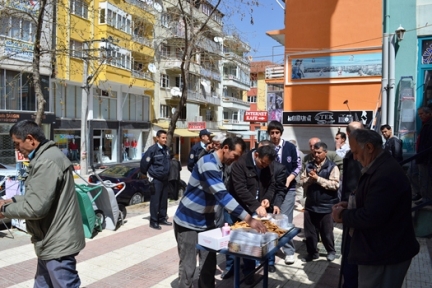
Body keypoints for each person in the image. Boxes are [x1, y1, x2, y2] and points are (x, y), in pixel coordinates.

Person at [0, 120, 85, 287]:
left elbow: (35, 207)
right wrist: (12, 201)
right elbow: (38, 197)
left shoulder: (47, 161)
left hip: (57, 244)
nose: (17, 150)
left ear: (30, 139)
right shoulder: (46, 157)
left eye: (17, 144)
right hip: (49, 241)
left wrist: (5, 209)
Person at [173, 137, 266, 288]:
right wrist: (250, 220)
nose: (235, 160)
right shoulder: (208, 163)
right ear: (225, 148)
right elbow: (223, 196)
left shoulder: (221, 165)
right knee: (188, 267)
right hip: (188, 221)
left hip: (207, 222)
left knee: (208, 266)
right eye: (234, 156)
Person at [332, 129, 419, 288]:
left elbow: (371, 216)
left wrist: (343, 215)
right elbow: (374, 202)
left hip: (385, 254)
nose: (356, 158)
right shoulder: (380, 166)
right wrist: (352, 204)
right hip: (380, 250)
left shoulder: (385, 173)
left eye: (356, 152)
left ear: (370, 147)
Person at [222, 145, 276, 279]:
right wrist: (256, 205)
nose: (264, 166)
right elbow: (240, 189)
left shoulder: (268, 165)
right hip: (236, 207)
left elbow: (271, 185)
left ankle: (249, 272)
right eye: (262, 163)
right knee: (231, 239)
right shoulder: (240, 163)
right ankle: (230, 267)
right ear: (256, 155)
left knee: (250, 241)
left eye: (267, 164)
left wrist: (266, 199)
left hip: (254, 208)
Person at [300, 142, 340, 262]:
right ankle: (312, 253)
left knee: (326, 231)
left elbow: (335, 185)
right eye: (314, 152)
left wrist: (318, 179)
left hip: (326, 205)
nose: (316, 154)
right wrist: (310, 180)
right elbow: (302, 182)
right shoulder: (309, 165)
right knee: (310, 232)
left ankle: (331, 251)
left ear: (325, 153)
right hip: (311, 204)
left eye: (319, 152)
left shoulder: (332, 167)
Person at [267, 120, 299, 265]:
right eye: (272, 133)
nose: (274, 135)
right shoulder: (266, 147)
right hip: (270, 190)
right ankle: (270, 252)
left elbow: (298, 166)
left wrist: (288, 179)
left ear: (281, 133)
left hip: (288, 189)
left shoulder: (290, 147)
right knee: (270, 220)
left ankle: (289, 251)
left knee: (285, 219)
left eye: (277, 133)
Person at [339, 121, 364, 288]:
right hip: (350, 208)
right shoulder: (351, 155)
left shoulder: (366, 156)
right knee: (347, 253)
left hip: (359, 212)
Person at [140, 130, 171, 230]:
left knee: (163, 200)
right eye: (163, 138)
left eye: (165, 138)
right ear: (157, 138)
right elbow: (144, 163)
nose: (165, 140)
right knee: (155, 201)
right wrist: (146, 174)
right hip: (156, 179)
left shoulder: (166, 149)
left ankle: (162, 218)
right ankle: (153, 221)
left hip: (165, 179)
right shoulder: (152, 150)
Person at [415, 107, 432, 205]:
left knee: (425, 178)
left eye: (422, 114)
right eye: (419, 114)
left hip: (425, 157)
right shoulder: (425, 124)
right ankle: (421, 194)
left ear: (429, 114)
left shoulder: (429, 125)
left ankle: (426, 199)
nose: (420, 116)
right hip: (420, 155)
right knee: (413, 173)